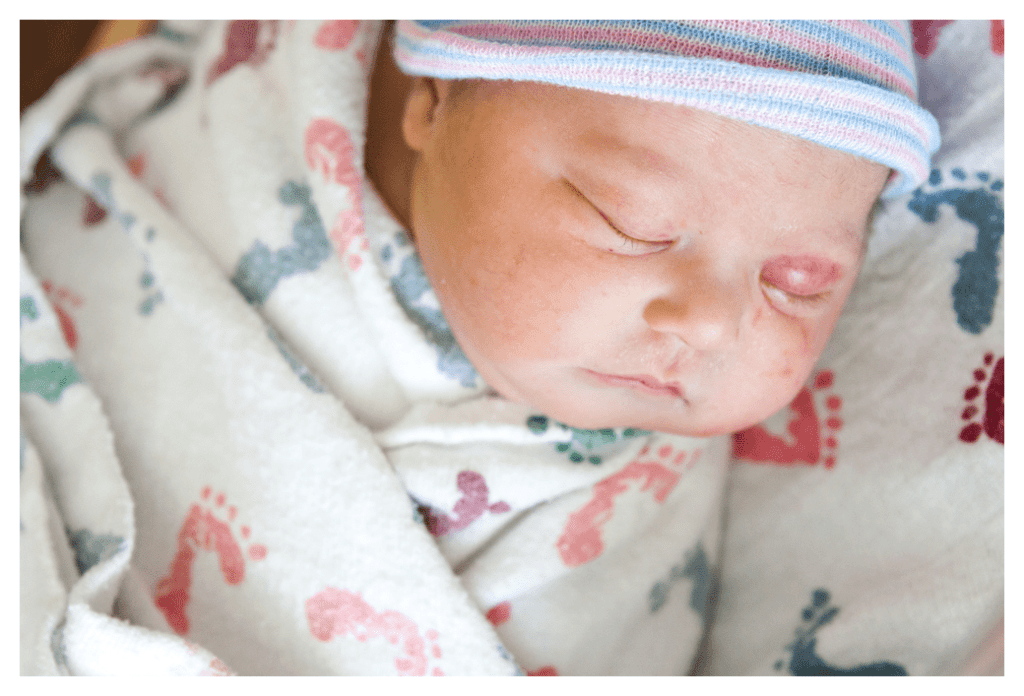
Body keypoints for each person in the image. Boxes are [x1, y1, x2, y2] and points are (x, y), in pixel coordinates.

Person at [20, 20, 1000, 677]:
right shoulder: (237, 145)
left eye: (801, 283)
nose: (710, 322)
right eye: (630, 221)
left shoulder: (662, 480)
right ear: (431, 103)